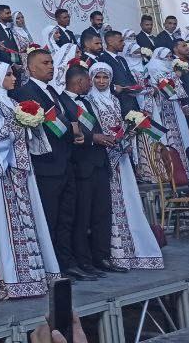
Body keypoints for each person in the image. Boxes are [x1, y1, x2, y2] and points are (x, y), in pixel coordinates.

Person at [0, 62, 61, 298]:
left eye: (13, 74)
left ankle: (33, 275)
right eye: (8, 75)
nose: (13, 78)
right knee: (4, 224)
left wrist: (29, 124)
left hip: (19, 168)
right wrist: (14, 127)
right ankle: (10, 277)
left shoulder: (13, 102)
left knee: (26, 219)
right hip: (0, 169)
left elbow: (21, 135)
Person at [11, 49, 85, 280]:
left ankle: (66, 262)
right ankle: (51, 266)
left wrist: (76, 131)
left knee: (67, 217)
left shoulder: (52, 90)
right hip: (46, 164)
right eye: (45, 63)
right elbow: (41, 125)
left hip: (66, 161)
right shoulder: (24, 92)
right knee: (50, 217)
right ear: (31, 68)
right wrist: (69, 129)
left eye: (52, 62)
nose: (51, 66)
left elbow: (66, 117)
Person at [85, 63, 164, 269]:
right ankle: (115, 252)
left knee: (129, 198)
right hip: (104, 156)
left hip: (120, 155)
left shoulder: (114, 99)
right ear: (91, 79)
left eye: (105, 77)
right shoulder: (88, 100)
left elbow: (119, 124)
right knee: (111, 203)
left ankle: (135, 248)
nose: (102, 81)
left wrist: (127, 134)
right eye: (98, 77)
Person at [57, 65, 125, 276]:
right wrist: (93, 138)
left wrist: (107, 138)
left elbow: (94, 127)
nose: (92, 83)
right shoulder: (61, 101)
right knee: (82, 216)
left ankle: (101, 257)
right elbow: (66, 132)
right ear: (79, 82)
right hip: (80, 166)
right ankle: (83, 261)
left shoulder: (86, 101)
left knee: (101, 213)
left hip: (99, 163)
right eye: (89, 80)